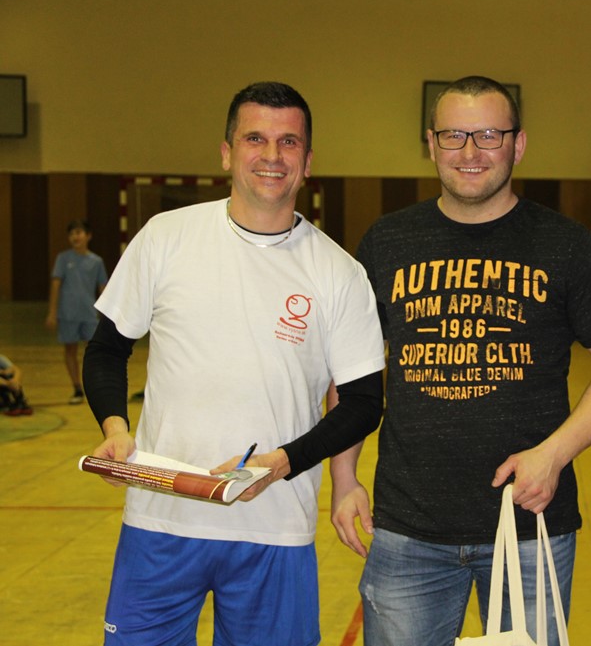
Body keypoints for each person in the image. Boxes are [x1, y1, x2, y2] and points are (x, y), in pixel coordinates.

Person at [81, 81, 386, 646]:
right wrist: (116, 428)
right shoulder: (166, 238)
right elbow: (107, 348)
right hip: (160, 520)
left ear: (308, 162)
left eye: (289, 142)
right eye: (255, 139)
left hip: (275, 527)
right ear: (226, 153)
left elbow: (363, 403)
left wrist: (282, 463)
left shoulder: (339, 272)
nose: (272, 155)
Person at [332, 76, 591, 646]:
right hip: (407, 529)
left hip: (530, 522)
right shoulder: (388, 242)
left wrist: (555, 454)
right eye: (454, 135)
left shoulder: (566, 245)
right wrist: (344, 479)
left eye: (490, 135)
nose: (470, 151)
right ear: (431, 143)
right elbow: (352, 372)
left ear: (519, 144)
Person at [45, 219, 108, 404]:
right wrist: (52, 312)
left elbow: (103, 287)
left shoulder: (96, 261)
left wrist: (108, 314)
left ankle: (95, 387)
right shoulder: (63, 259)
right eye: (72, 233)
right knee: (70, 350)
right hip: (68, 314)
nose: (75, 236)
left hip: (89, 314)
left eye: (79, 232)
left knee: (94, 351)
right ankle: (77, 388)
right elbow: (56, 285)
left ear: (88, 236)